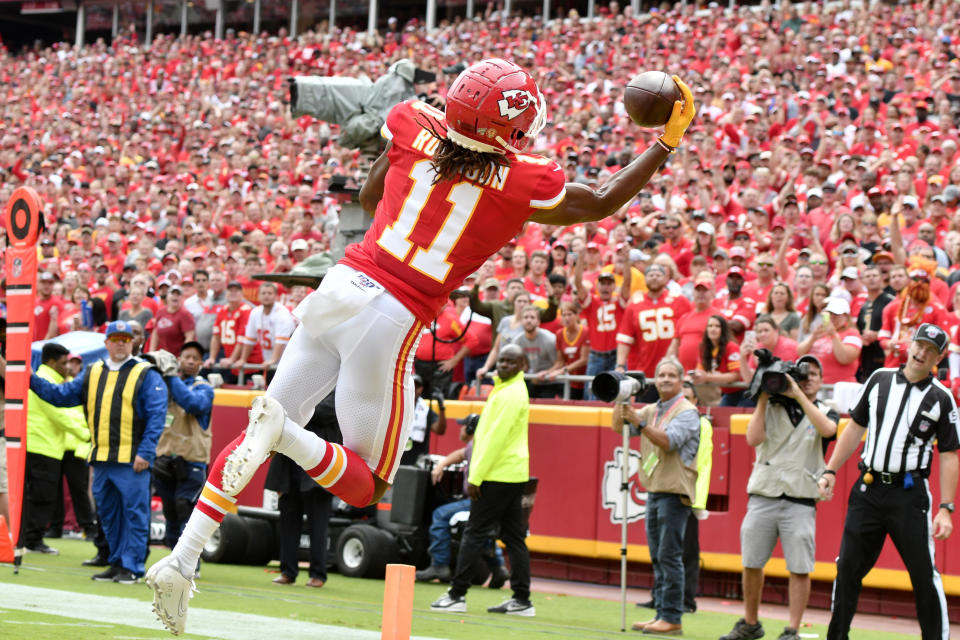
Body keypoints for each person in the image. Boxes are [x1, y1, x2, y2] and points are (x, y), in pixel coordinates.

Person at [146, 59, 695, 635]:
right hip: (394, 312)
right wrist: (666, 142)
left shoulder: (411, 120)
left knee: (255, 432)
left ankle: (182, 560)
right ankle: (283, 433)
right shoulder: (523, 176)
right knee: (366, 483)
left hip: (342, 284)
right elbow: (603, 199)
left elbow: (367, 191)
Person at [818, 323, 958, 640]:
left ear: (940, 357)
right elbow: (855, 427)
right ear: (910, 344)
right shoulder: (879, 379)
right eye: (920, 345)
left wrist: (946, 507)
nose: (922, 352)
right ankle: (836, 636)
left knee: (924, 576)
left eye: (931, 350)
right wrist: (830, 470)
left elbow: (950, 454)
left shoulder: (941, 397)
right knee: (847, 568)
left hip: (909, 495)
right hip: (867, 489)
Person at [29, 321, 168, 584]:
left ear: (132, 343)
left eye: (124, 339)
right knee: (108, 515)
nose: (119, 343)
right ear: (105, 343)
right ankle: (116, 562)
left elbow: (156, 416)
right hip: (101, 458)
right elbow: (61, 396)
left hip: (131, 460)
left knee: (135, 514)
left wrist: (146, 452)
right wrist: (27, 377)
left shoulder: (146, 373)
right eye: (114, 338)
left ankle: (133, 566)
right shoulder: (93, 372)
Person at [719, 355, 838, 640]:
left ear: (821, 381)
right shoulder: (770, 406)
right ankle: (750, 623)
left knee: (799, 567)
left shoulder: (825, 410)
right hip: (764, 492)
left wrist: (798, 394)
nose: (808, 378)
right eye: (803, 374)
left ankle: (792, 630)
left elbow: (828, 430)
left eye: (814, 375)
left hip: (800, 497)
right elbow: (752, 438)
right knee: (751, 561)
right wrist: (762, 396)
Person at [430, 344, 535, 616]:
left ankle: (457, 594)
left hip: (497, 474)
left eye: (511, 362)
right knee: (514, 537)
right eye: (501, 361)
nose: (503, 366)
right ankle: (522, 600)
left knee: (474, 533)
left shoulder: (509, 394)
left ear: (523, 364)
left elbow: (493, 441)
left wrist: (475, 477)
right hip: (512, 473)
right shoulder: (509, 389)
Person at [613, 356, 700, 635]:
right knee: (658, 556)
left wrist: (638, 422)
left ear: (681, 380)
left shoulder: (687, 412)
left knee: (670, 556)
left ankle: (672, 616)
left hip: (674, 492)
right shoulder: (653, 409)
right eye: (660, 375)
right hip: (654, 489)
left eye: (671, 375)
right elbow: (619, 427)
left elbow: (669, 441)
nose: (664, 379)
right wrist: (620, 397)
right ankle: (662, 612)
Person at [637, 380, 713, 615]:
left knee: (682, 553)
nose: (685, 404)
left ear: (696, 402)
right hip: (670, 487)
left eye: (689, 399)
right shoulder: (665, 418)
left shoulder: (698, 422)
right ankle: (660, 598)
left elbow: (701, 462)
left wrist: (699, 500)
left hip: (687, 493)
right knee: (663, 551)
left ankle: (685, 601)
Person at [415, 413, 508, 588]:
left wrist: (440, 467)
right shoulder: (480, 444)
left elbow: (462, 454)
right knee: (483, 527)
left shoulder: (476, 446)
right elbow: (459, 454)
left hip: (476, 501)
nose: (460, 428)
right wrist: (441, 465)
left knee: (440, 514)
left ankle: (439, 565)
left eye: (463, 425)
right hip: (492, 503)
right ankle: (498, 567)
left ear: (471, 429)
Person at [265, 392, 339, 588]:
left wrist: (297, 408)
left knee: (319, 525)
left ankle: (318, 574)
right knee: (287, 522)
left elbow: (327, 412)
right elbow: (279, 409)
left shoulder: (336, 388)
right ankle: (288, 571)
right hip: (289, 465)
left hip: (318, 466)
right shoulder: (301, 384)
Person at [23, 342, 90, 555]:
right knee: (42, 496)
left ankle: (32, 537)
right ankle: (32, 539)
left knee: (44, 495)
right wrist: (88, 435)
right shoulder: (43, 381)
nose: (67, 367)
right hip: (42, 446)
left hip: (48, 446)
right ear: (51, 362)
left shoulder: (51, 379)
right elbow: (60, 415)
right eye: (63, 363)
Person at [152, 341, 215, 553]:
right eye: (186, 356)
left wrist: (170, 376)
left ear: (201, 363)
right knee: (170, 511)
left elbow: (193, 404)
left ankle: (189, 562)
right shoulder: (166, 385)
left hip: (192, 462)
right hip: (166, 459)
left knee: (185, 509)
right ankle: (172, 560)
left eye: (195, 358)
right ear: (178, 359)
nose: (190, 361)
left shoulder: (205, 388)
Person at [798, 297, 862, 384]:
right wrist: (813, 337)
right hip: (818, 386)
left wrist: (833, 334)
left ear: (846, 316)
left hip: (838, 386)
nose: (832, 317)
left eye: (836, 314)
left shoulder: (852, 334)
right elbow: (800, 352)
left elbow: (845, 358)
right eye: (830, 314)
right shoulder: (822, 332)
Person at [398, 375, 446, 467]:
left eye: (418, 387)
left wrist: (441, 407)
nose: (415, 389)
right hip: (399, 456)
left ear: (421, 389)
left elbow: (440, 430)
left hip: (418, 460)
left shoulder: (426, 410)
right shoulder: (398, 406)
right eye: (413, 386)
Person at [149, 284, 197, 355]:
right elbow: (155, 333)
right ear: (167, 296)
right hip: (164, 355)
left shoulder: (185, 314)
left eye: (178, 294)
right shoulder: (160, 312)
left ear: (182, 298)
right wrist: (151, 353)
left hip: (178, 356)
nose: (175, 296)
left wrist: (182, 356)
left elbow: (189, 338)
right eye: (173, 293)